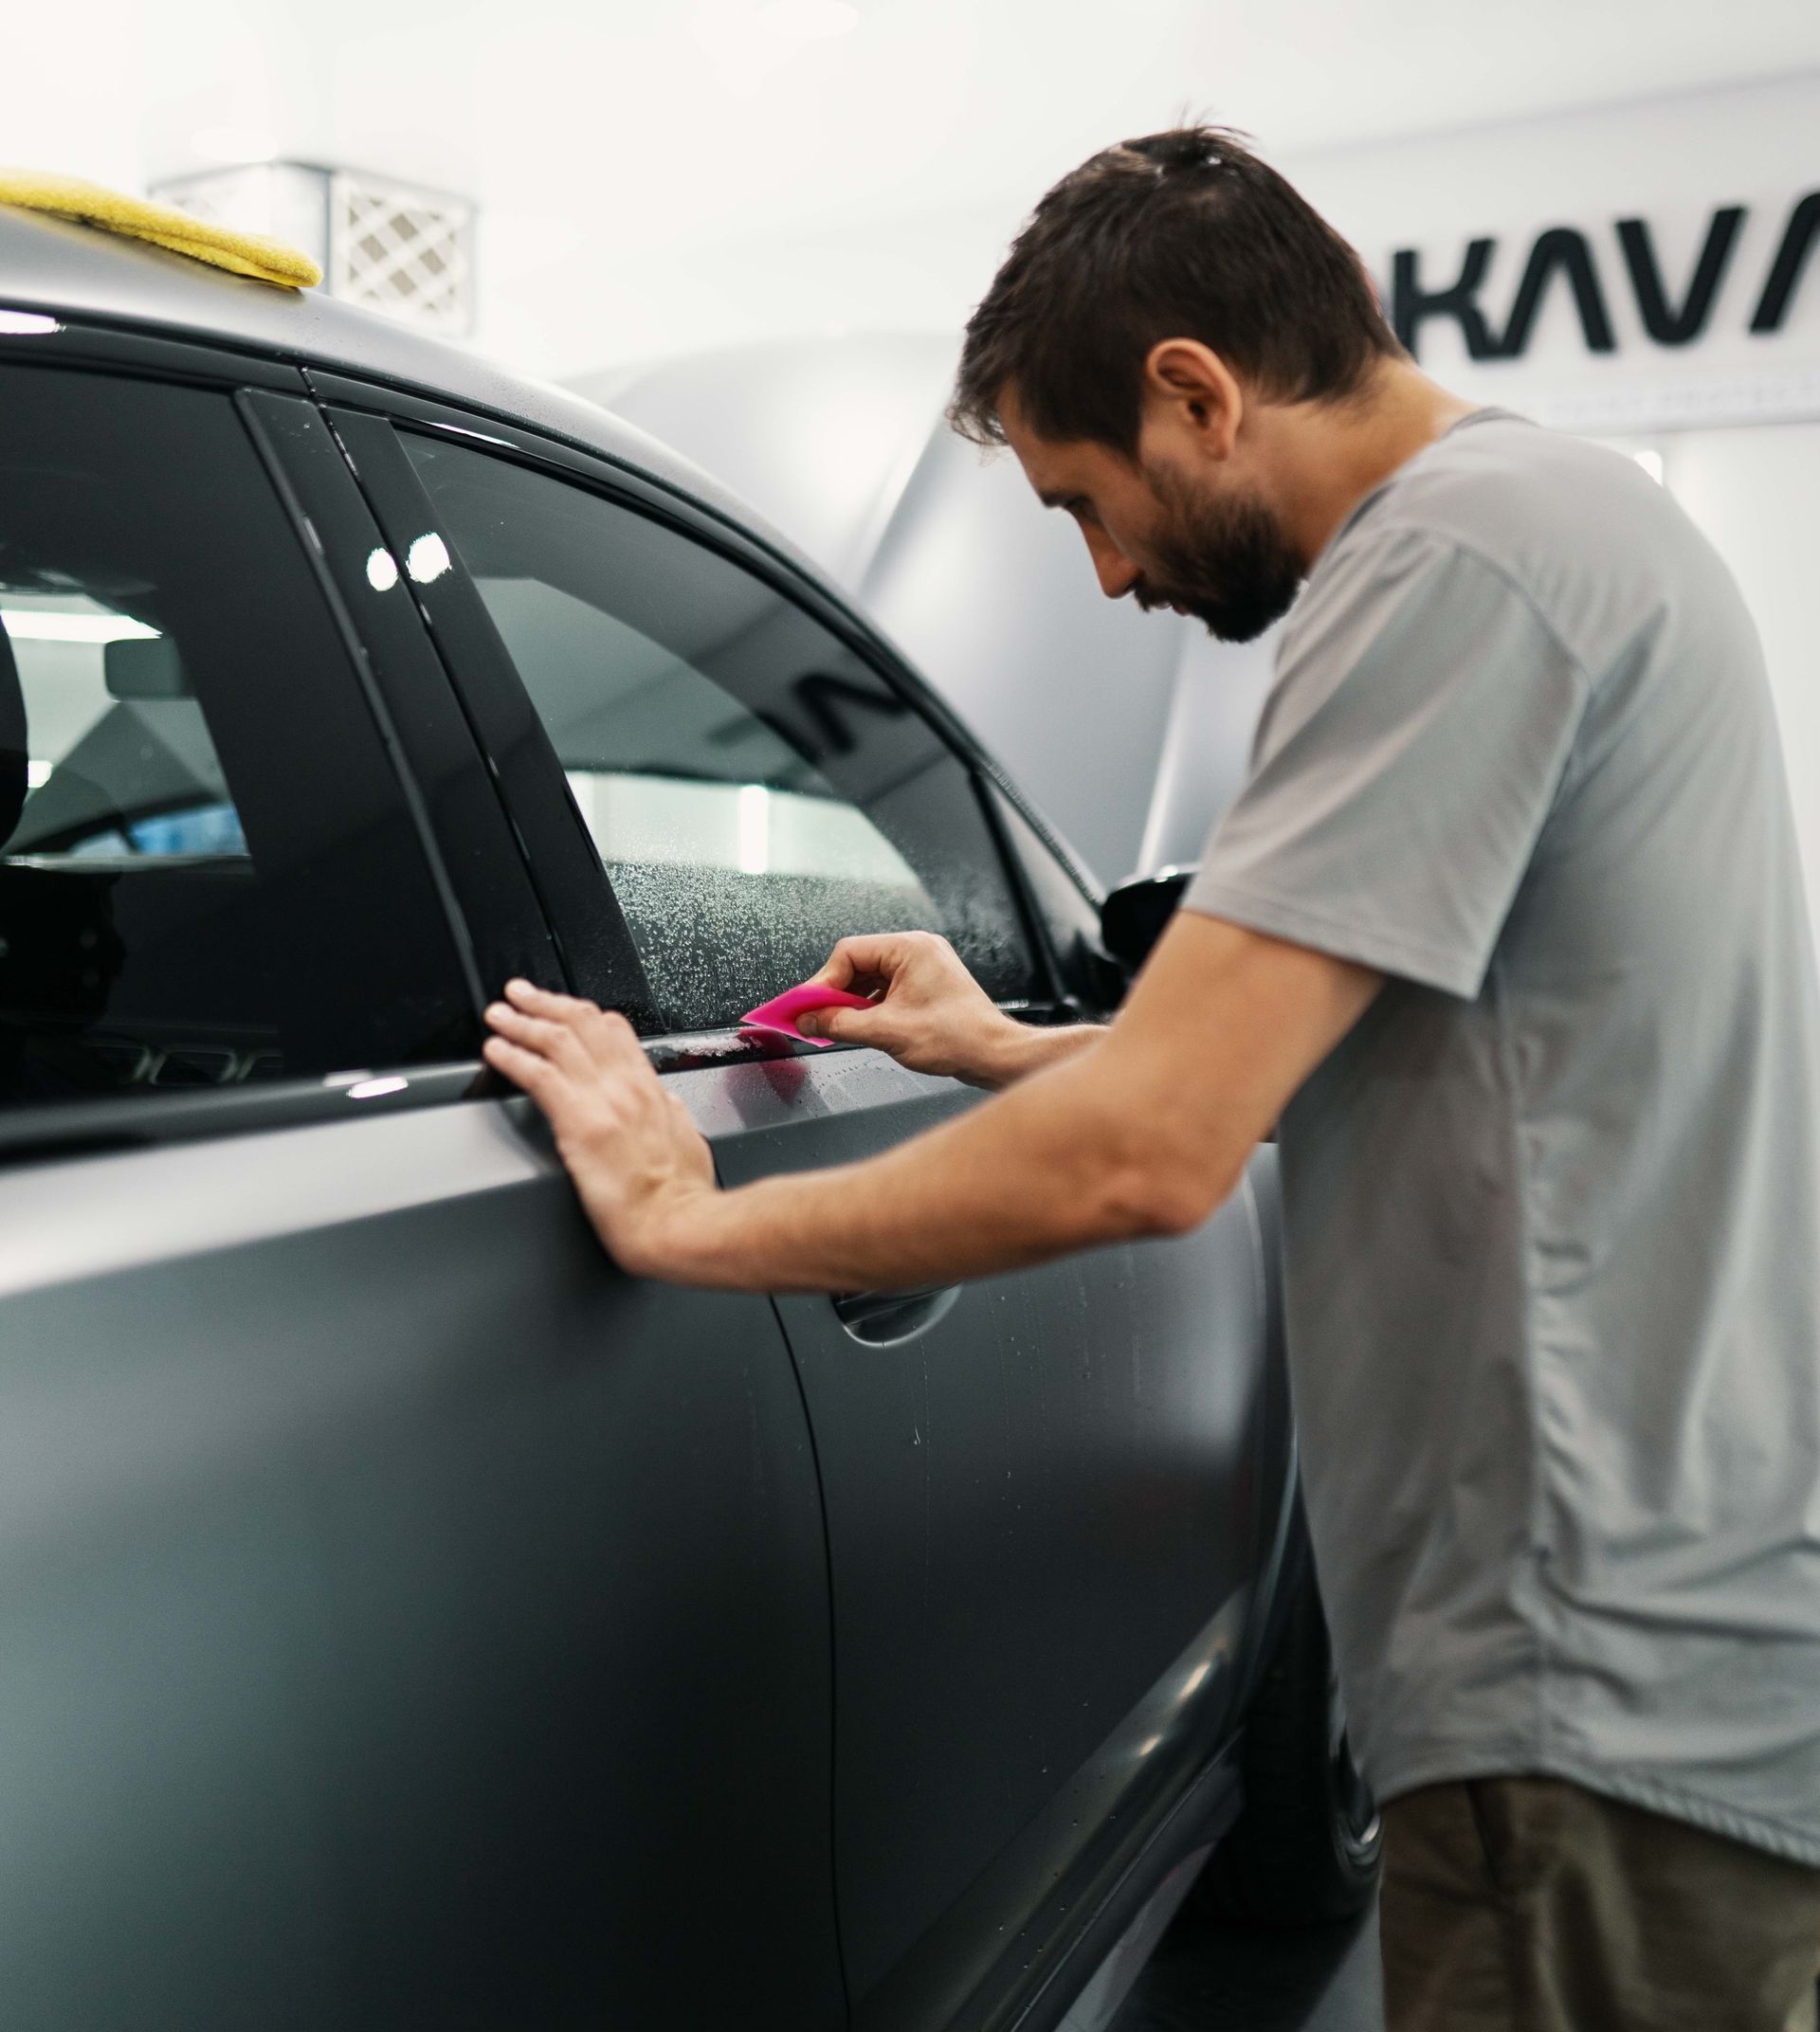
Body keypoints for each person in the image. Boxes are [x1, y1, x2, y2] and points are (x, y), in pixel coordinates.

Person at [480, 128, 1820, 2031]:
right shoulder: (1565, 526)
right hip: (1655, 1645)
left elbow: (1154, 1155)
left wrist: (689, 1215)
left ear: (1192, 391)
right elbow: (1416, 1058)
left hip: (1592, 1688)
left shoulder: (1447, 568)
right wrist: (999, 1044)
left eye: (1085, 501)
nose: (1106, 572)